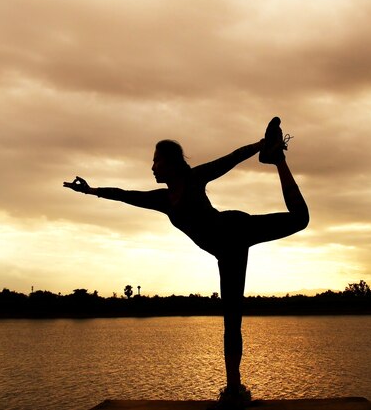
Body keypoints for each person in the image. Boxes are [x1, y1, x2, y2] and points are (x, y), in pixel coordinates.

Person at [64, 117, 309, 408]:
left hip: (235, 231)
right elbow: (126, 195)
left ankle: (276, 157)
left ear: (169, 162)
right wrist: (91, 191)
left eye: (155, 161)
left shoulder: (194, 179)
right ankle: (233, 390)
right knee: (232, 319)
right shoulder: (164, 200)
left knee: (300, 219)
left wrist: (261, 145)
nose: (152, 167)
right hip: (226, 251)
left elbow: (228, 160)